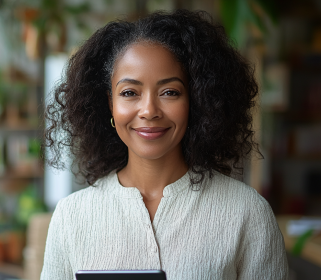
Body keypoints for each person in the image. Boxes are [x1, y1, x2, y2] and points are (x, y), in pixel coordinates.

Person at [40, 9, 288, 280]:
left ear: (198, 100)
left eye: (170, 92)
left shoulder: (247, 213)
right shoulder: (71, 217)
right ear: (110, 105)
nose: (149, 110)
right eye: (129, 93)